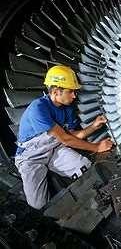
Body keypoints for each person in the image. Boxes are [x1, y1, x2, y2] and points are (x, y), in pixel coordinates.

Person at [15, 65, 113, 210]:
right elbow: (66, 140)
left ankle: (97, 206)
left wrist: (93, 126)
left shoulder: (67, 107)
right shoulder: (38, 108)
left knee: (85, 167)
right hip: (31, 158)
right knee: (38, 206)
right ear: (55, 92)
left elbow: (73, 135)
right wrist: (97, 147)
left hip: (54, 149)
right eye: (70, 91)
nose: (74, 96)